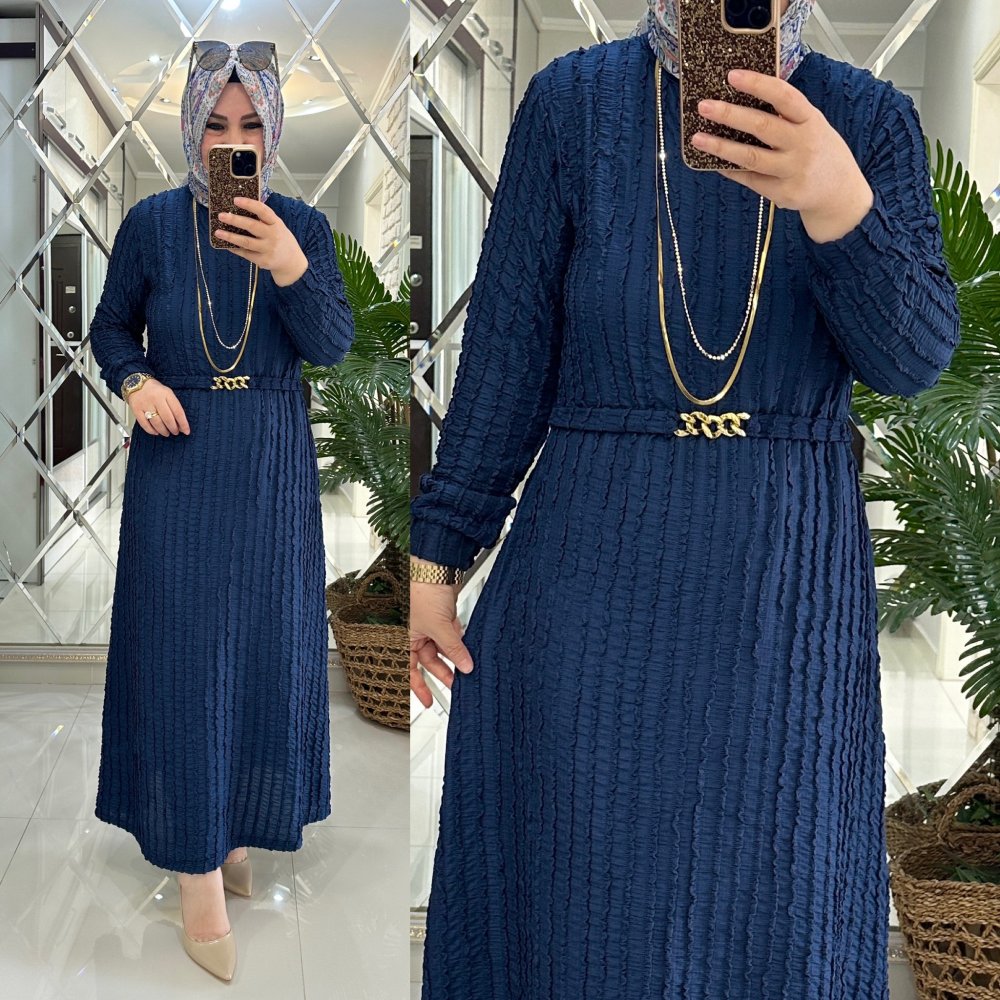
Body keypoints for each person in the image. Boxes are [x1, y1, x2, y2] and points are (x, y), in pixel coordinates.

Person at [409, 0, 961, 997]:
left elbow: (913, 360)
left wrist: (838, 202)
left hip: (784, 616)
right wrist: (437, 554)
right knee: (581, 928)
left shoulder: (866, 119)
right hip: (582, 603)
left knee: (778, 921)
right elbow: (506, 355)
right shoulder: (571, 107)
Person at [89, 39, 355, 982]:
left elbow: (331, 344)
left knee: (258, 657)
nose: (230, 142)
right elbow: (110, 328)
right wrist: (135, 382)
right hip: (181, 467)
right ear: (191, 129)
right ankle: (196, 869)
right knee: (185, 660)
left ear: (272, 131)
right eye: (214, 124)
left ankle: (233, 830)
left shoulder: (303, 227)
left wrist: (287, 263)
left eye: (248, 124)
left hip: (271, 473)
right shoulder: (153, 225)